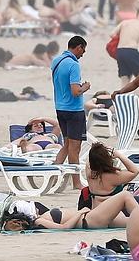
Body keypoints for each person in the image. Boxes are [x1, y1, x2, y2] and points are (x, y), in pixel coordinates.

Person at [51, 36, 90, 189]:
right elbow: (75, 91)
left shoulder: (56, 61)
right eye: (83, 50)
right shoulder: (74, 64)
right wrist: (85, 87)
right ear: (78, 47)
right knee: (75, 147)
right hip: (74, 110)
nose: (83, 53)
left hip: (60, 107)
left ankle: (52, 176)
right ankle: (76, 183)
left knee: (67, 145)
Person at [2, 191, 138, 231]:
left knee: (134, 221)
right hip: (88, 220)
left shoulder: (41, 218)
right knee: (125, 196)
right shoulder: (39, 220)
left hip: (90, 217)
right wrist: (80, 212)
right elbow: (64, 227)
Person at [111, 5, 139, 85]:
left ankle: (121, 97)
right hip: (131, 51)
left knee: (125, 79)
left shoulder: (125, 22)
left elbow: (112, 34)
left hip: (120, 52)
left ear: (137, 14)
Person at [85, 142, 139, 208]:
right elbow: (135, 171)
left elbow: (91, 160)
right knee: (129, 196)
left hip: (94, 207)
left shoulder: (90, 173)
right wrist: (119, 155)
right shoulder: (112, 176)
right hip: (111, 210)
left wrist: (95, 149)